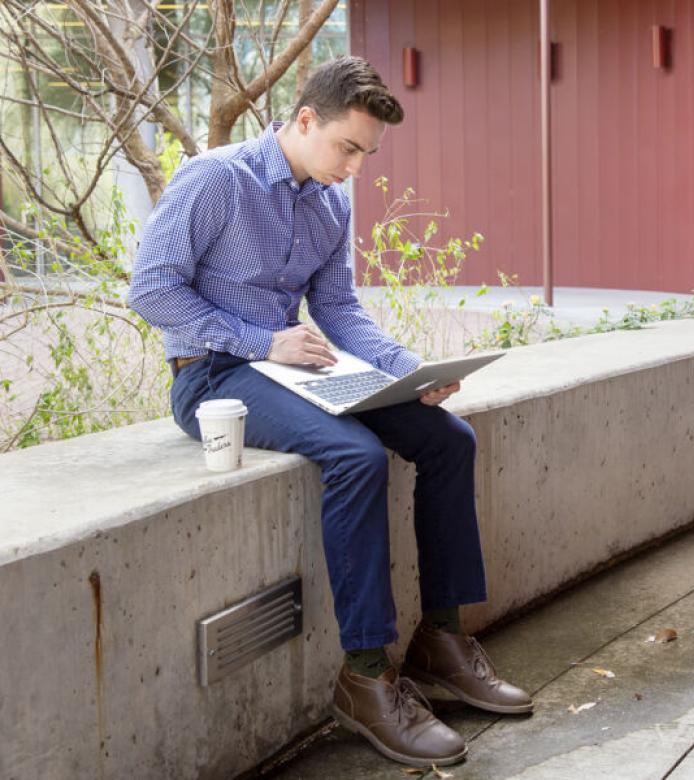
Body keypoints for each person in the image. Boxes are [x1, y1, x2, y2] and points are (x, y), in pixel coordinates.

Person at [128, 55, 531, 768]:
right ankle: (367, 679)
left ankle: (441, 639)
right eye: (348, 148)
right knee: (355, 456)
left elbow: (339, 309)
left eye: (367, 155)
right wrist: (262, 341)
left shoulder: (331, 200)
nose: (355, 169)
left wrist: (408, 370)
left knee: (449, 440)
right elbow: (152, 290)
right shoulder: (218, 179)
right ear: (304, 120)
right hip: (214, 374)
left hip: (303, 369)